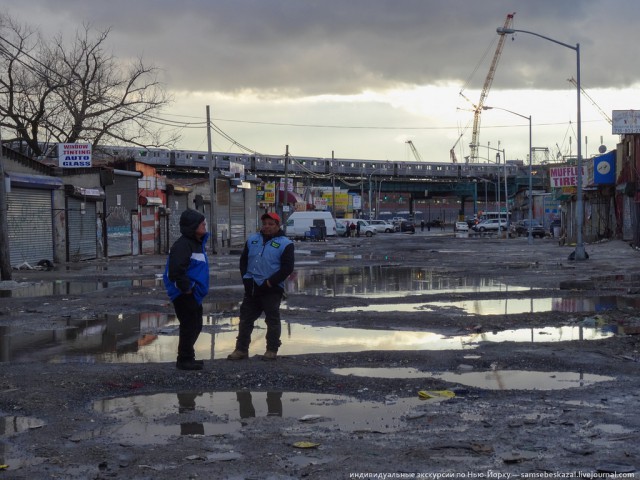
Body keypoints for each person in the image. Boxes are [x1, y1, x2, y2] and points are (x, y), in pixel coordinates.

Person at [227, 212, 294, 361]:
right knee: (245, 319)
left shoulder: (286, 244)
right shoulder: (252, 240)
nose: (267, 227)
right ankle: (241, 350)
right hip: (252, 287)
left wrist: (270, 282)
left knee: (272, 319)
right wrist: (245, 277)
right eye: (265, 224)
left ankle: (271, 350)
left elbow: (287, 268)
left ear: (277, 225)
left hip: (271, 288)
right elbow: (243, 260)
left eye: (271, 224)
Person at [163, 209, 209, 371]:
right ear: (193, 226)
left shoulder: (196, 243)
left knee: (195, 325)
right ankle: (184, 359)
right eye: (201, 223)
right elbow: (175, 271)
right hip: (184, 294)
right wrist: (187, 289)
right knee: (189, 325)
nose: (204, 225)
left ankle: (188, 357)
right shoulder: (183, 245)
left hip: (192, 293)